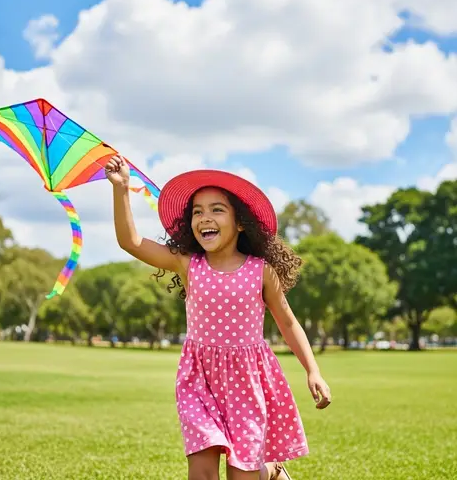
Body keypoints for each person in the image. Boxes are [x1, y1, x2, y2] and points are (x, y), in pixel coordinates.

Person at [105, 155, 332, 480]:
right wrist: (122, 189)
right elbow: (131, 242)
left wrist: (313, 371)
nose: (204, 218)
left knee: (244, 474)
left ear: (240, 222)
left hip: (247, 381)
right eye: (197, 211)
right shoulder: (187, 263)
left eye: (216, 210)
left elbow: (288, 321)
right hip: (199, 379)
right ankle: (266, 468)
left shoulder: (261, 271)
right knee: (202, 469)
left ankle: (269, 470)